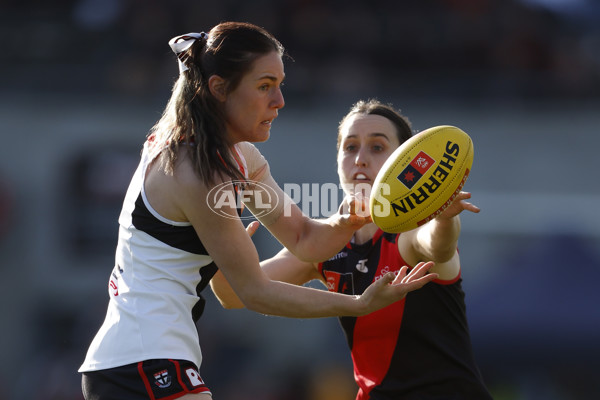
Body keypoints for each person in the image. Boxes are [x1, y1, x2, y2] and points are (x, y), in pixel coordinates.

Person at [78, 23, 438, 400]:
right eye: (265, 86)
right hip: (142, 362)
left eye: (280, 84)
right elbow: (255, 292)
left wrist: (346, 222)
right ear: (219, 89)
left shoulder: (237, 159)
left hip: (138, 361)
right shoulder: (200, 174)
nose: (279, 100)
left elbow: (302, 238)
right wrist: (360, 304)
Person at [211, 99, 493, 399]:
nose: (360, 159)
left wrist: (445, 219)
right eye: (349, 147)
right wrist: (226, 242)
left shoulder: (410, 233)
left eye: (377, 147)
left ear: (404, 164)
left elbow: (437, 245)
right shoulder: (321, 244)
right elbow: (231, 293)